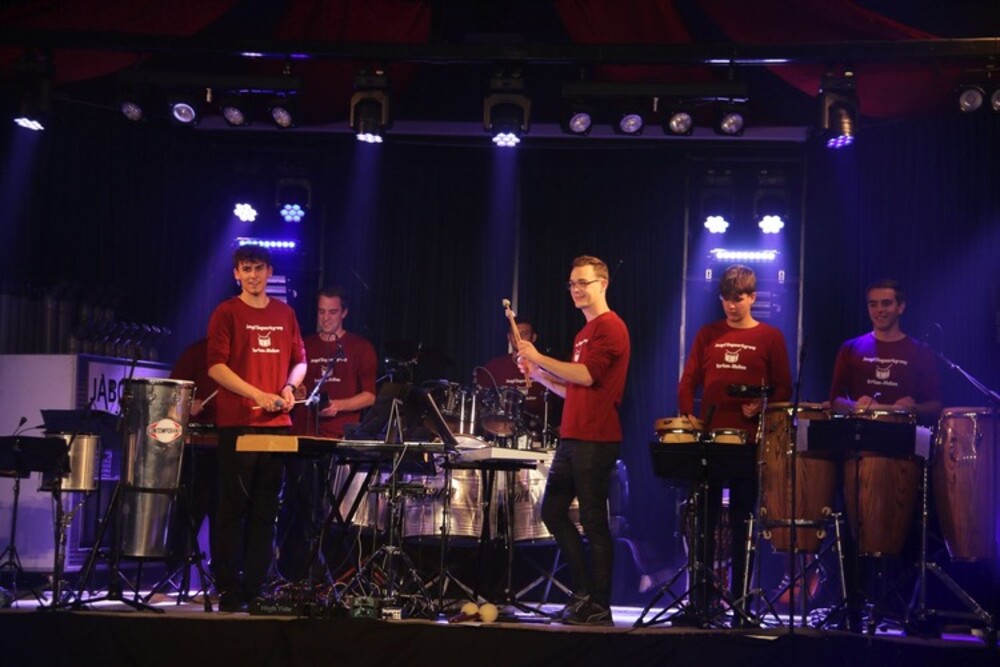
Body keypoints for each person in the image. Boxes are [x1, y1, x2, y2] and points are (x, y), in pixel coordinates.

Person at [516, 255, 630, 626]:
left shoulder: (610, 327)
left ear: (603, 284)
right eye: (572, 284)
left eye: (583, 282)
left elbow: (586, 376)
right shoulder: (584, 333)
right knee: (552, 512)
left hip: (595, 439)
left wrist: (540, 357)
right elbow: (574, 389)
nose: (576, 290)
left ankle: (599, 604)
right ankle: (583, 593)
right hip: (573, 436)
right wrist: (538, 373)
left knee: (594, 522)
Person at [677, 264, 792, 623]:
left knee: (743, 522)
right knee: (705, 522)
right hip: (711, 441)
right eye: (726, 299)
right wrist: (688, 415)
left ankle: (741, 603)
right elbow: (688, 380)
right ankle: (701, 603)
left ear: (752, 297)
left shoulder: (770, 337)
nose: (731, 305)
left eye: (738, 299)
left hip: (750, 443)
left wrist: (762, 405)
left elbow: (784, 387)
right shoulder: (707, 333)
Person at [828, 279, 941, 631]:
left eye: (886, 303)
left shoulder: (920, 351)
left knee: (908, 530)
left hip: (905, 455)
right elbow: (834, 401)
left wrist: (914, 406)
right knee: (854, 529)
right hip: (859, 452)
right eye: (873, 304)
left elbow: (936, 405)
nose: (879, 310)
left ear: (901, 307)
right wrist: (853, 405)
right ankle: (853, 609)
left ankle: (902, 609)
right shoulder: (852, 348)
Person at [206, 245, 307, 612]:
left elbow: (300, 361)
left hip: (277, 425)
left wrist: (289, 388)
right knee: (233, 508)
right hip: (239, 424)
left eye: (258, 268)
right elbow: (216, 367)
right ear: (236, 274)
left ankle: (255, 588)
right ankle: (229, 588)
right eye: (246, 269)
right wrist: (257, 394)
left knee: (266, 511)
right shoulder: (226, 312)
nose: (252, 275)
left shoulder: (285, 313)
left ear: (269, 272)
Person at [281, 287, 377, 581]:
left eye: (332, 312)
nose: (326, 318)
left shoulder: (360, 347)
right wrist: (297, 392)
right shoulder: (305, 345)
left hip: (337, 439)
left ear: (344, 313)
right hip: (303, 436)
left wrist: (339, 406)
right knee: (297, 508)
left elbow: (370, 396)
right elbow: (290, 386)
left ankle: (327, 574)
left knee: (329, 511)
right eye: (321, 312)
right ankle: (293, 574)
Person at [166, 337, 219, 591]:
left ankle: (222, 580)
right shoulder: (197, 351)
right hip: (198, 447)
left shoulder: (244, 355)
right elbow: (171, 393)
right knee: (187, 513)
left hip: (232, 447)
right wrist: (189, 403)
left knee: (226, 519)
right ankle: (173, 576)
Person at [474, 318, 558, 446]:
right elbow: (481, 404)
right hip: (500, 433)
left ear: (533, 337)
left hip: (539, 435)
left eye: (525, 334)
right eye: (515, 334)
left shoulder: (546, 365)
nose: (519, 338)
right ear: (509, 337)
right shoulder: (493, 367)